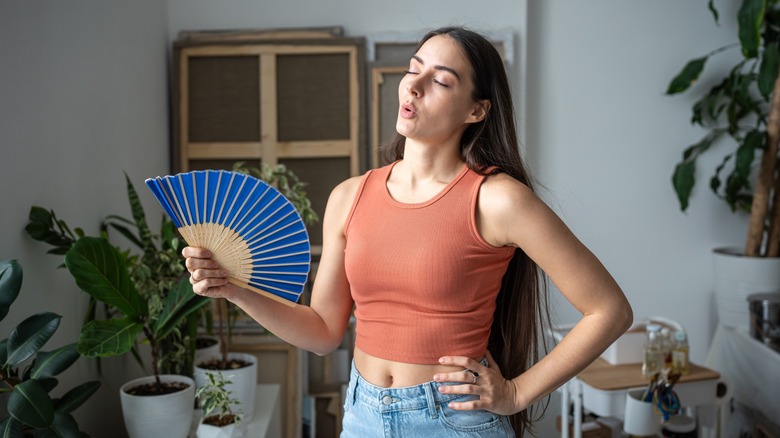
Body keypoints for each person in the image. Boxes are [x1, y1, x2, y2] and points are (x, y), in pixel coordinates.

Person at [183, 26, 633, 437]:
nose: (413, 86)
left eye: (439, 80)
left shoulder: (497, 199)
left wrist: (516, 393)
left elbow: (608, 310)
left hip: (454, 421)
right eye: (412, 69)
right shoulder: (349, 196)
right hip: (361, 416)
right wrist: (233, 289)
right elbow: (322, 333)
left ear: (477, 110)